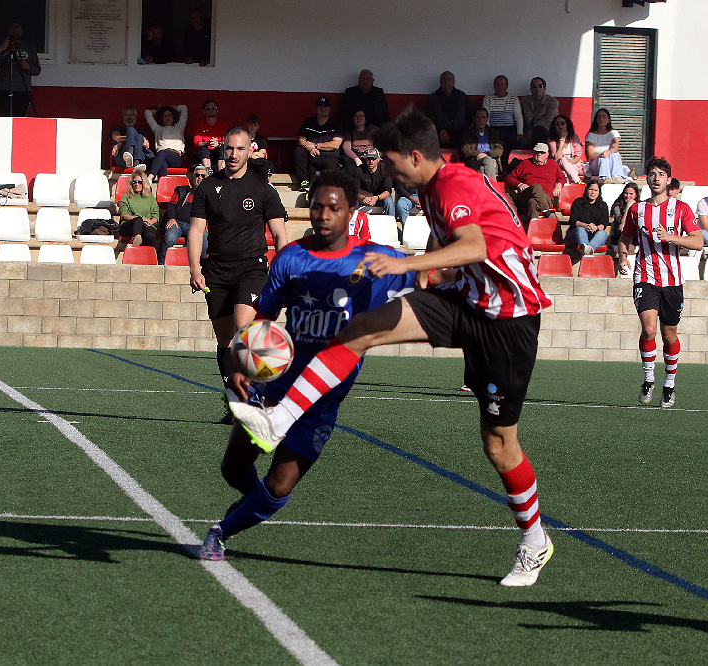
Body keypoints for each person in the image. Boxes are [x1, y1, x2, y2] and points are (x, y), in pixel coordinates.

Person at [229, 110, 555, 587]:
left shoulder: (453, 185)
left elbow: (476, 246)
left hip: (509, 320)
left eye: (391, 160)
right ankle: (277, 422)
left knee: (499, 445)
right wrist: (424, 273)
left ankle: (534, 540)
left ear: (416, 156)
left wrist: (408, 265)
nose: (385, 169)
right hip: (464, 299)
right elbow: (465, 260)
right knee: (358, 330)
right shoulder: (428, 188)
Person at [198, 169, 417, 561]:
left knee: (280, 485)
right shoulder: (291, 257)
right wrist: (243, 363)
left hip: (324, 396)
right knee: (233, 469)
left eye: (333, 207)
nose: (323, 214)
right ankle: (253, 507)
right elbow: (263, 318)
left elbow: (432, 273)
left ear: (350, 210)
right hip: (276, 384)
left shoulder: (376, 260)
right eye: (317, 205)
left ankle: (221, 532)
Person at [188, 127, 289, 421]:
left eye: (240, 149)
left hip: (252, 269)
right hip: (216, 270)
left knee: (245, 334)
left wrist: (282, 269)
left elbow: (280, 234)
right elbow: (196, 230)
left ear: (250, 150)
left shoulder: (263, 189)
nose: (234, 154)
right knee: (225, 341)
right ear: (223, 149)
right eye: (229, 148)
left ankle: (253, 400)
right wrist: (195, 268)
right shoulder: (207, 187)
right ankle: (233, 401)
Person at [618, 156, 703, 409]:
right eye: (652, 174)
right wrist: (623, 257)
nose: (656, 178)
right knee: (649, 329)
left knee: (669, 335)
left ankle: (669, 383)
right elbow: (625, 239)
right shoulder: (637, 210)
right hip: (645, 277)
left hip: (672, 281)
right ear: (648, 178)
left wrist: (672, 237)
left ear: (668, 179)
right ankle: (648, 379)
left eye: (661, 174)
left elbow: (698, 241)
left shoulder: (681, 209)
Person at [505, 142, 566, 225]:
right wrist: (519, 184)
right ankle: (546, 212)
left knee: (533, 202)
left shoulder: (553, 164)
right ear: (533, 153)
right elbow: (509, 178)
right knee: (536, 187)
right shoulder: (525, 164)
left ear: (547, 154)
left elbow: (562, 178)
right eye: (537, 152)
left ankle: (532, 231)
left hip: (546, 196)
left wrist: (558, 185)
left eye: (542, 153)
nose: (539, 154)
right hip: (526, 194)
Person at [0, 22, 41, 117]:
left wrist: (28, 67)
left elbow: (37, 70)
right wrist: (0, 49)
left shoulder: (29, 47)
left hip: (22, 89)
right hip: (2, 88)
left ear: (22, 30)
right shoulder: (2, 45)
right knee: (1, 117)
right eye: (12, 27)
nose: (14, 29)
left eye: (17, 27)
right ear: (7, 30)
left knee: (20, 118)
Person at [295, 95, 344, 192]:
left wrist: (315, 145)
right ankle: (303, 182)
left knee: (331, 166)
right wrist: (310, 148)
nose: (322, 109)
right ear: (316, 108)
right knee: (298, 150)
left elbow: (336, 144)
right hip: (311, 154)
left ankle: (328, 189)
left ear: (330, 109)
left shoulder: (336, 123)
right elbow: (301, 140)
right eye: (320, 106)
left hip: (329, 157)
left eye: (325, 107)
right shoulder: (308, 121)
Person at [161, 164, 209, 263]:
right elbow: (171, 205)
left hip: (196, 225)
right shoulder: (182, 190)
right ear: (193, 177)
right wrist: (172, 218)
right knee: (169, 237)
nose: (199, 177)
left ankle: (203, 264)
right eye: (197, 175)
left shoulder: (208, 194)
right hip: (178, 222)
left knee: (204, 237)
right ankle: (162, 262)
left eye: (202, 176)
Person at [426, 71, 472, 148]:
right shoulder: (433, 98)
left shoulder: (462, 96)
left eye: (449, 79)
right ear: (440, 82)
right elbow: (429, 118)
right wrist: (440, 130)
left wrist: (468, 130)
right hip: (441, 133)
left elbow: (471, 113)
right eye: (444, 79)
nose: (446, 81)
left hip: (461, 132)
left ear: (454, 82)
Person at [117, 165, 159, 249]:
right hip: (129, 225)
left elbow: (156, 216)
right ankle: (137, 237)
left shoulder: (150, 197)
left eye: (139, 182)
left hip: (146, 225)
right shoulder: (125, 197)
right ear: (131, 184)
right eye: (134, 182)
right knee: (138, 219)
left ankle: (149, 255)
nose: (137, 184)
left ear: (144, 183)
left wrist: (151, 222)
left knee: (150, 234)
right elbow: (124, 215)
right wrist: (141, 219)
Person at [482, 75, 524, 158]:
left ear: (507, 86)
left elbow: (518, 117)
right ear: (494, 86)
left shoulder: (514, 98)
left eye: (502, 84)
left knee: (520, 143)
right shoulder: (488, 98)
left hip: (510, 129)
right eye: (497, 84)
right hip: (493, 129)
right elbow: (485, 118)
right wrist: (488, 132)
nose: (500, 87)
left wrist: (520, 133)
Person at [144, 104, 188, 181]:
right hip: (161, 158)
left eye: (169, 115)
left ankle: (150, 177)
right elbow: (147, 113)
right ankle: (162, 184)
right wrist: (160, 109)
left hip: (175, 157)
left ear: (173, 117)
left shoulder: (179, 127)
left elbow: (184, 108)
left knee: (163, 152)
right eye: (164, 116)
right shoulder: (158, 129)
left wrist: (169, 107)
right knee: (162, 163)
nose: (167, 118)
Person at [585, 108, 630, 183]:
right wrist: (603, 154)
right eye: (599, 117)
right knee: (604, 157)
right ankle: (605, 178)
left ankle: (617, 177)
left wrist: (608, 153)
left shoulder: (613, 133)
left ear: (608, 120)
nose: (601, 119)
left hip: (611, 161)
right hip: (596, 165)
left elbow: (615, 148)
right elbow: (591, 155)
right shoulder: (591, 135)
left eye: (604, 116)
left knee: (614, 155)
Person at [565, 180, 609, 255]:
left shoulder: (603, 205)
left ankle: (588, 249)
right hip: (578, 235)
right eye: (591, 189)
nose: (593, 192)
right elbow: (573, 221)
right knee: (581, 229)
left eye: (596, 190)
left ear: (599, 192)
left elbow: (604, 223)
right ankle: (585, 247)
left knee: (603, 233)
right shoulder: (578, 202)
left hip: (594, 235)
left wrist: (596, 228)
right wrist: (586, 226)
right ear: (586, 190)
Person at [461, 107, 503, 182]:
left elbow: (499, 149)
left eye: (483, 117)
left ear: (487, 119)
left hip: (491, 163)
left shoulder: (493, 133)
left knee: (482, 169)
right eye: (478, 117)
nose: (481, 120)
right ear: (474, 119)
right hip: (475, 161)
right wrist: (480, 154)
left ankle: (483, 192)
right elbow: (465, 151)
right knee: (487, 160)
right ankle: (494, 189)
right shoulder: (467, 134)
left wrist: (487, 154)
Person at [193, 99, 229, 172]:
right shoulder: (199, 124)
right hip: (204, 154)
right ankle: (207, 171)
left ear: (217, 110)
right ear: (204, 111)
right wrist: (207, 143)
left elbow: (227, 142)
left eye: (214, 108)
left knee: (223, 148)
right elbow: (197, 143)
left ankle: (221, 171)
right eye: (208, 108)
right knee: (204, 148)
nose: (211, 110)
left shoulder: (223, 124)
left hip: (218, 152)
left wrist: (218, 143)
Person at [356, 148, 395, 217]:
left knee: (389, 201)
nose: (371, 161)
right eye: (369, 158)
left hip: (380, 197)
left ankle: (391, 224)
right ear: (365, 159)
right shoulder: (359, 170)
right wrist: (362, 198)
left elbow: (388, 192)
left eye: (373, 159)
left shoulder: (385, 170)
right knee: (352, 200)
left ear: (378, 159)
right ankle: (353, 224)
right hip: (365, 196)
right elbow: (354, 190)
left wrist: (376, 198)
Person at [547, 115, 584, 183]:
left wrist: (570, 163)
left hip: (573, 163)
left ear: (567, 125)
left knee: (564, 174)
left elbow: (578, 155)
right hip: (558, 164)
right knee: (563, 160)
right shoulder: (551, 139)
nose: (560, 126)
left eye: (562, 123)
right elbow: (557, 157)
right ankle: (577, 181)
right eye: (557, 124)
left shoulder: (574, 137)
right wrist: (562, 139)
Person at [520, 77, 558, 145]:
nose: (537, 88)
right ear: (531, 89)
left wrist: (532, 130)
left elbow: (548, 120)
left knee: (539, 132)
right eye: (534, 86)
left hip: (545, 131)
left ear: (544, 89)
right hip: (527, 131)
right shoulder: (524, 101)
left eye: (540, 86)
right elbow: (519, 117)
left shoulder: (552, 102)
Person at [342, 109, 376, 177]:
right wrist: (356, 159)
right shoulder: (349, 132)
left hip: (370, 154)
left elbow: (381, 142)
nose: (359, 118)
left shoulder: (372, 129)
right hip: (356, 155)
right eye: (356, 116)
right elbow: (346, 148)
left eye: (361, 116)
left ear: (365, 119)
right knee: (350, 168)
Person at [609, 182, 639, 252]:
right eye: (626, 193)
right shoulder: (617, 206)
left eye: (631, 194)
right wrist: (628, 207)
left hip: (634, 237)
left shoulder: (640, 206)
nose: (628, 196)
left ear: (636, 195)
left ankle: (635, 245)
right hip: (619, 235)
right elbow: (620, 223)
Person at [246, 114, 274, 180]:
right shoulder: (242, 138)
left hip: (258, 162)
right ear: (247, 125)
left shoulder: (262, 139)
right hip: (246, 161)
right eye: (250, 125)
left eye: (255, 125)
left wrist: (250, 155)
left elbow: (262, 154)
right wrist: (253, 155)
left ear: (258, 126)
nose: (252, 127)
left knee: (263, 168)